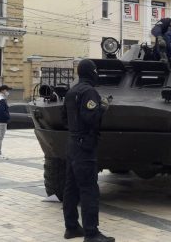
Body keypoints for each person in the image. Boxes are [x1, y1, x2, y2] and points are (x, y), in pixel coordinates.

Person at [62, 59, 115, 242]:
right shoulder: (89, 91)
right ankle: (92, 234)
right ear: (92, 72)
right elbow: (90, 117)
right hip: (85, 146)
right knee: (89, 190)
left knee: (71, 188)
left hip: (72, 144)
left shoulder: (71, 92)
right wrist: (102, 108)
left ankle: (71, 227)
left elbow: (64, 118)